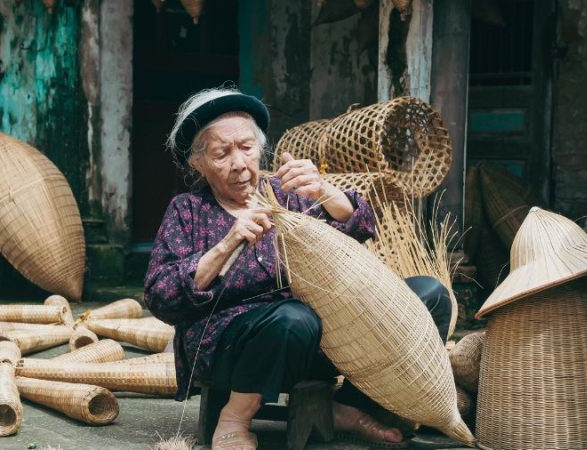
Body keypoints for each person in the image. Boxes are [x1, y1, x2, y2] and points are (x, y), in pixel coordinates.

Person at [144, 87, 452, 450]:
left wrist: (325, 190)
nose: (240, 163)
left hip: (325, 340)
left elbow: (360, 227)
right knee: (292, 318)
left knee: (429, 296)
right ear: (198, 163)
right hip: (236, 350)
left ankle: (349, 406)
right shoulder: (188, 210)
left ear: (260, 148)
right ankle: (235, 418)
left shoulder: (286, 194)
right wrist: (226, 244)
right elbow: (160, 295)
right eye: (221, 153)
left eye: (246, 147)